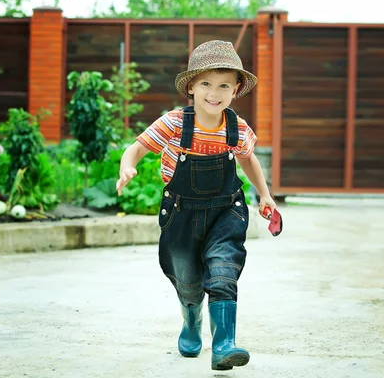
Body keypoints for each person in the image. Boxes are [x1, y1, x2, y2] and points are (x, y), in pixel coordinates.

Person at [115, 40, 277, 371]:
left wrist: (265, 194)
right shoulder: (174, 123)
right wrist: (126, 166)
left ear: (235, 90)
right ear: (191, 86)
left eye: (223, 85)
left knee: (223, 272)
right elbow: (135, 149)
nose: (214, 93)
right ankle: (191, 318)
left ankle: (223, 345)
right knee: (188, 282)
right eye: (206, 83)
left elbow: (248, 161)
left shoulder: (238, 128)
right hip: (181, 214)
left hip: (225, 212)